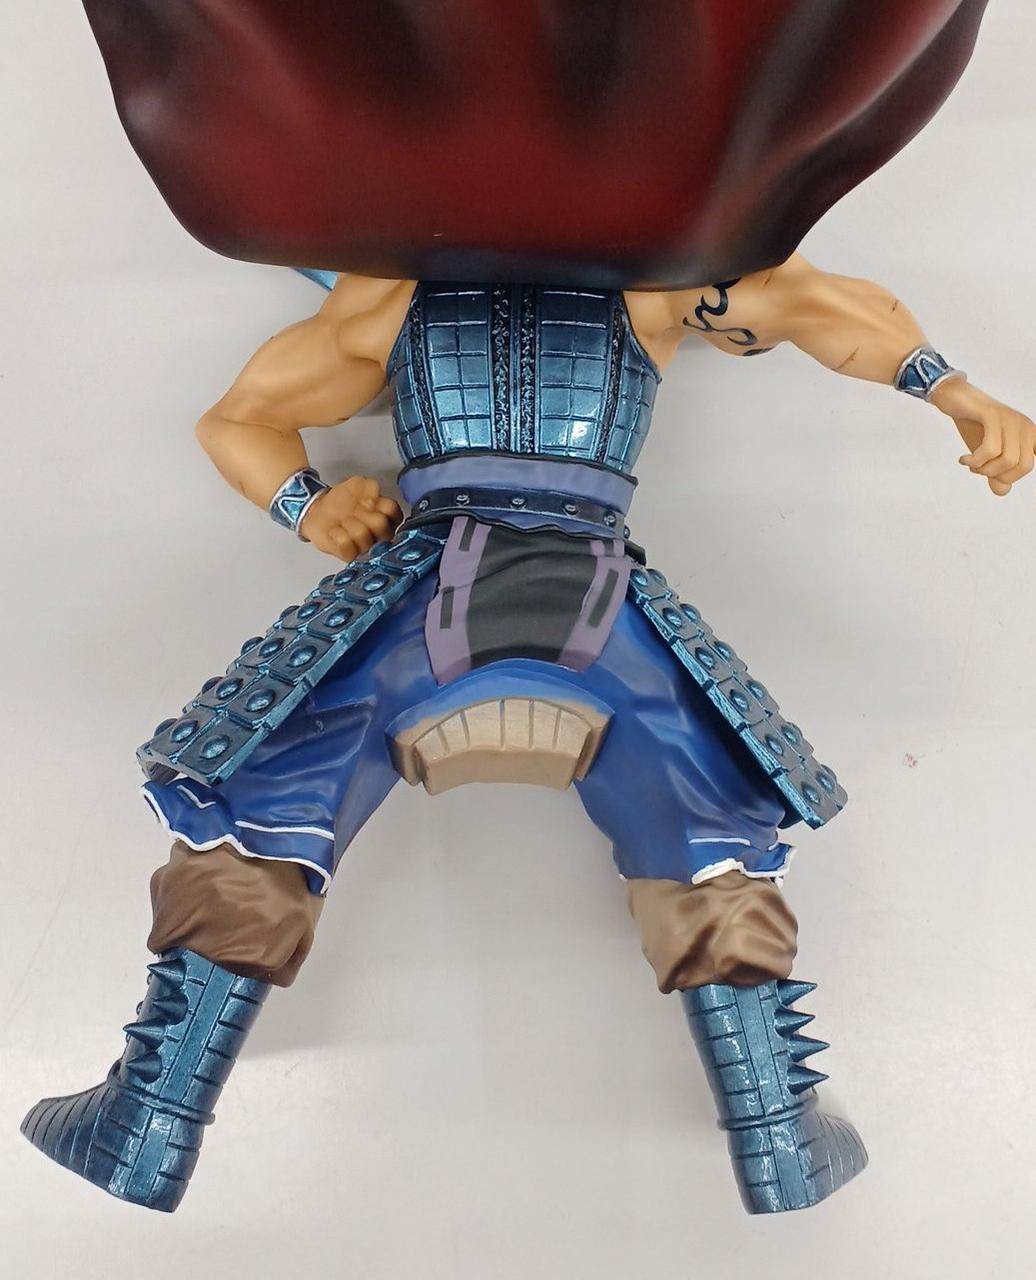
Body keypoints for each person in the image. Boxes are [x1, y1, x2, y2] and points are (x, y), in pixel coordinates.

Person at [23, 255, 1035, 1214]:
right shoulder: (642, 281)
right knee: (710, 830)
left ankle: (147, 1119)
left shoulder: (402, 291)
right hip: (596, 603)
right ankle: (778, 1138)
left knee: (262, 804)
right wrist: (952, 390)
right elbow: (818, 304)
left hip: (431, 594)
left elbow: (239, 420)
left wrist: (311, 505)